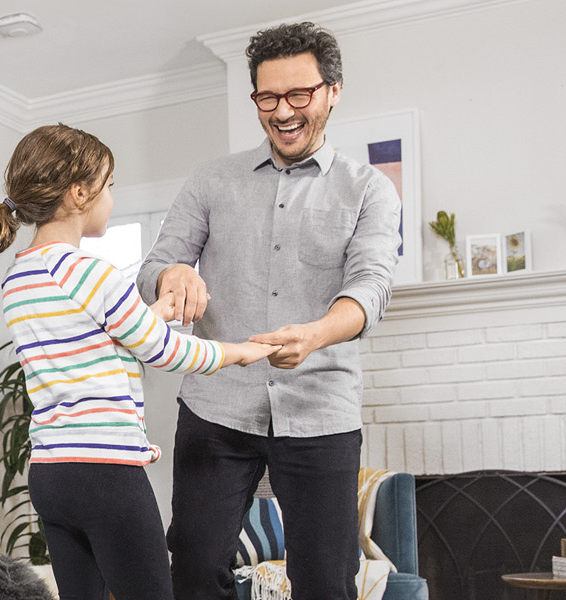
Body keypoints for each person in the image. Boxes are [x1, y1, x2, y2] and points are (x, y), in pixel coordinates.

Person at [0, 123, 279, 600]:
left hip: (52, 473)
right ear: (79, 193)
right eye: (109, 186)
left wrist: (150, 315)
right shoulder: (90, 272)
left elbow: (93, 337)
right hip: (106, 473)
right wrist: (243, 352)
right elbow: (165, 349)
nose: (111, 197)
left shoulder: (20, 277)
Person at [138, 22, 402, 600]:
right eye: (267, 97)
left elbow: (371, 287)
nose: (282, 111)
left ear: (332, 91)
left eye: (298, 95)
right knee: (194, 568)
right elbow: (155, 265)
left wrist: (315, 334)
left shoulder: (369, 191)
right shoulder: (212, 180)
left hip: (321, 410)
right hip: (216, 406)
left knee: (326, 581)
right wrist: (173, 273)